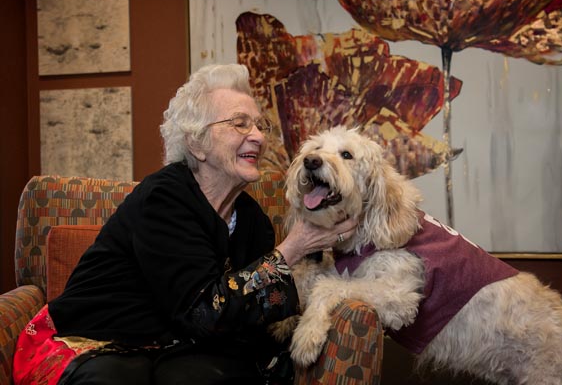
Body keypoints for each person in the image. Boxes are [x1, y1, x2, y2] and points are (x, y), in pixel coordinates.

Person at [12, 64, 357, 385]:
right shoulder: (163, 198)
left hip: (180, 348)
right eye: (240, 123)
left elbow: (249, 319)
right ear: (196, 142)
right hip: (99, 339)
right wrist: (294, 247)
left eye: (260, 125)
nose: (258, 136)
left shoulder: (253, 220)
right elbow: (204, 312)